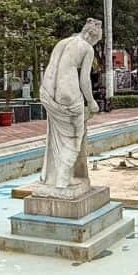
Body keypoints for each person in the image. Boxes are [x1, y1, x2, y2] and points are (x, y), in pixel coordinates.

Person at [39, 18, 101, 191]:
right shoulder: (87, 48)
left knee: (56, 137)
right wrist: (91, 101)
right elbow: (84, 81)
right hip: (69, 95)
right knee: (74, 137)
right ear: (92, 37)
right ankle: (63, 179)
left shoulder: (63, 42)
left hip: (48, 91)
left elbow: (51, 68)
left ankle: (52, 177)